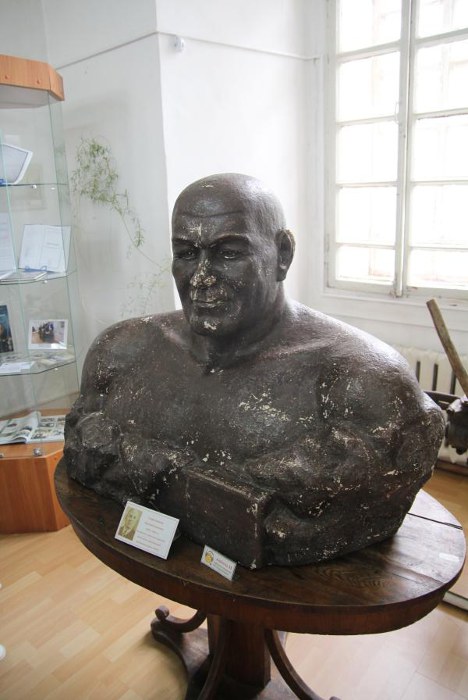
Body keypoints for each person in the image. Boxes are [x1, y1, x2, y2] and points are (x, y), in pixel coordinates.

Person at [63, 173, 444, 568]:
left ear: (283, 254)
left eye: (228, 254)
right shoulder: (121, 351)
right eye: (187, 253)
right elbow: (82, 440)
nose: (201, 278)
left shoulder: (362, 382)